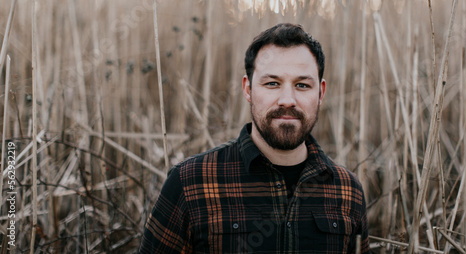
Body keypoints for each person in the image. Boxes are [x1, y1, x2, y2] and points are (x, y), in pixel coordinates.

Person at [139, 23, 370, 253]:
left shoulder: (347, 191)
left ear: (320, 93)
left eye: (302, 85)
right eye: (272, 83)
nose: (287, 100)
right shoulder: (191, 183)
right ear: (248, 89)